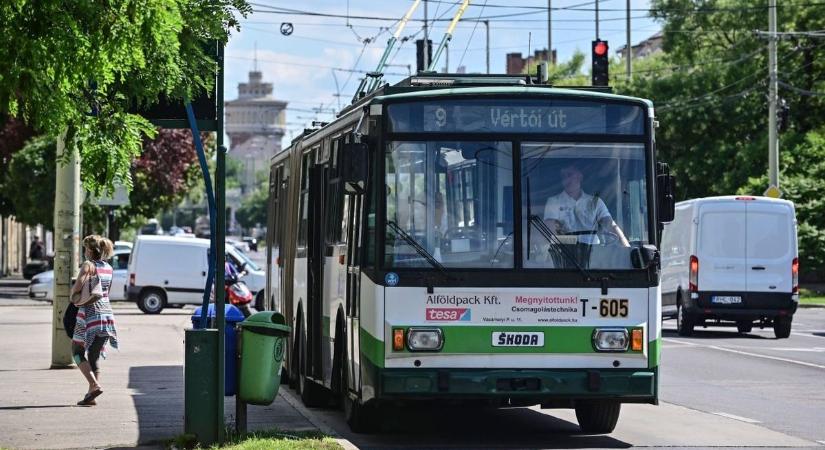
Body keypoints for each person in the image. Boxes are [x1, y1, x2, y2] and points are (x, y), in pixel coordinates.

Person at [70, 235, 119, 406]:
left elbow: (77, 288)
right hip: (107, 316)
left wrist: (73, 295)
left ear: (90, 250)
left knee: (76, 352)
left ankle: (94, 384)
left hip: (89, 315)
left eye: (85, 249)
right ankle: (91, 396)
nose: (85, 252)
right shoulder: (108, 268)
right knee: (93, 355)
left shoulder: (88, 265)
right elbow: (106, 292)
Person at [543, 163, 630, 247]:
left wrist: (627, 248)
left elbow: (611, 225)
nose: (566, 180)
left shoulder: (595, 202)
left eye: (569, 175)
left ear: (580, 176)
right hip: (565, 252)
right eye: (563, 176)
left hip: (595, 253)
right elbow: (550, 235)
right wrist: (577, 241)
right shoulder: (554, 202)